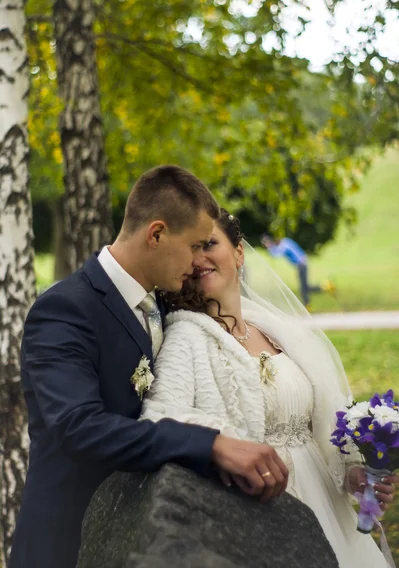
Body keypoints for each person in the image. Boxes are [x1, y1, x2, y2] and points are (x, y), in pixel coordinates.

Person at [9, 166, 288, 568]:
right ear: (156, 234)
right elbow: (78, 426)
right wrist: (209, 444)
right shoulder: (65, 309)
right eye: (194, 246)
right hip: (67, 542)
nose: (197, 263)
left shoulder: (160, 302)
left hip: (138, 533)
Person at [141, 209, 398, 568]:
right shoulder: (187, 337)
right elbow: (159, 416)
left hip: (326, 506)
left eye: (209, 244)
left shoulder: (277, 329)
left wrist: (355, 476)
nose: (199, 259)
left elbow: (321, 427)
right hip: (260, 510)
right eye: (191, 249)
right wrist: (222, 446)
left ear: (239, 252)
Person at [260, 234, 335, 308]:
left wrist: (269, 246)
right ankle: (311, 300)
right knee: (305, 287)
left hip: (301, 265)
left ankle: (322, 290)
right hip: (302, 263)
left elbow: (275, 254)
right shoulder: (286, 241)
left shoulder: (284, 245)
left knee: (304, 288)